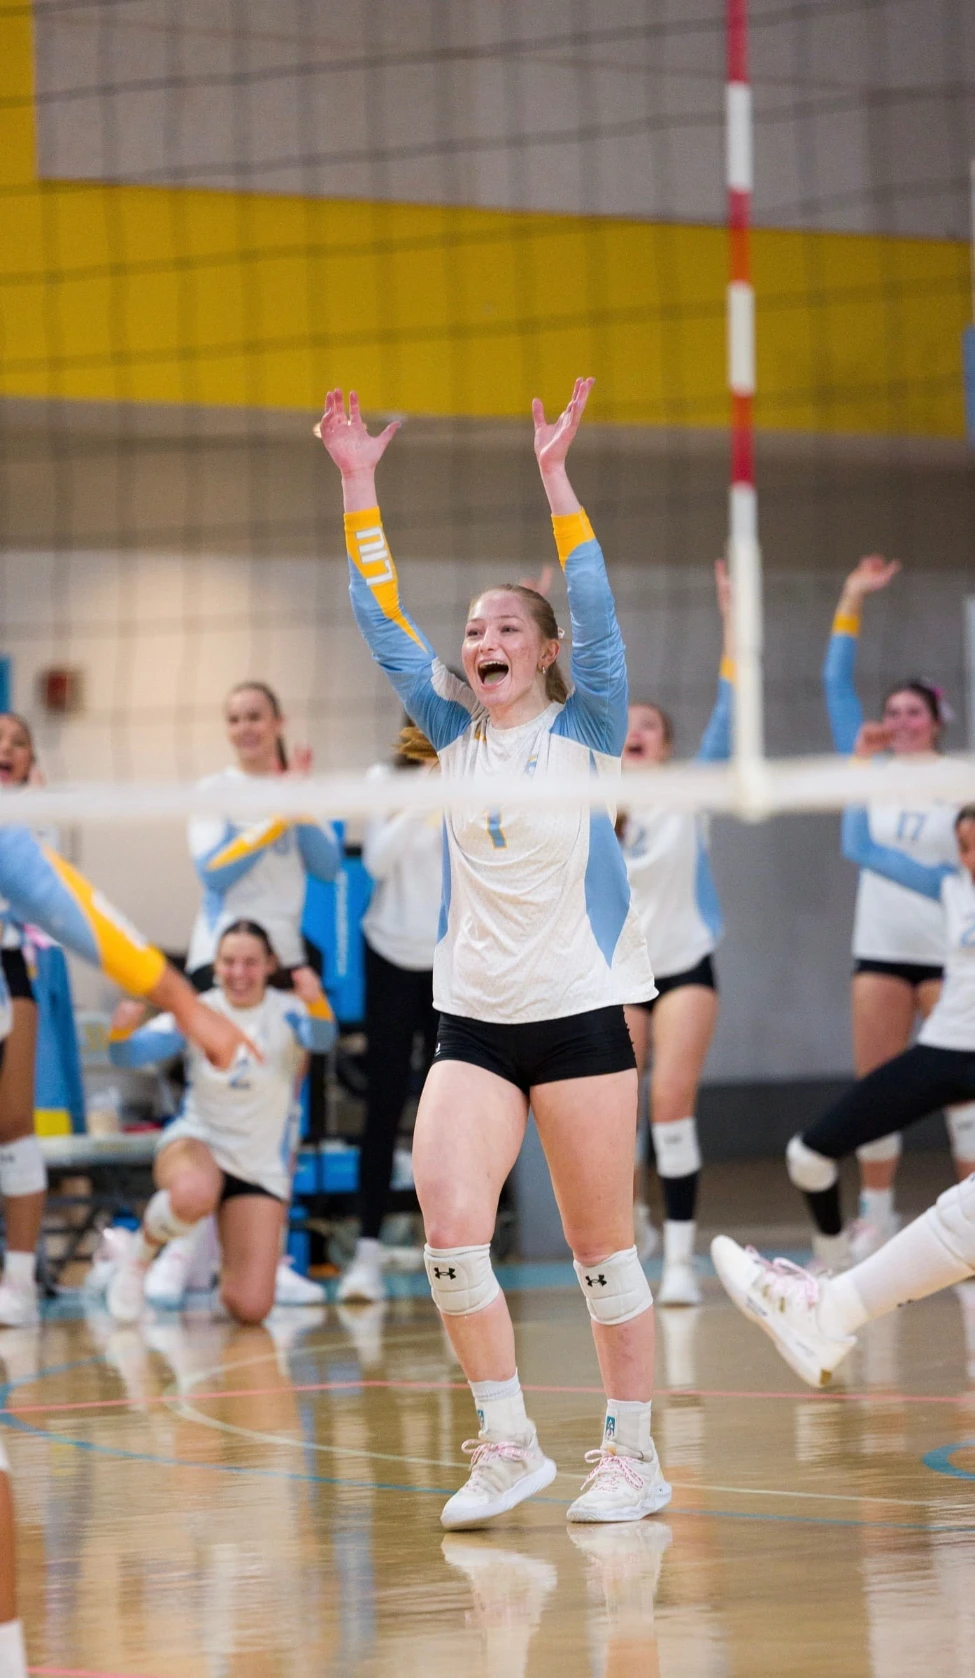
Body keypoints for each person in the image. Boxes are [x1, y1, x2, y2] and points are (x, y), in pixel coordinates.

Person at [317, 377, 671, 1529]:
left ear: (549, 650)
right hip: (471, 1021)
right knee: (451, 1229)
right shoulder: (450, 731)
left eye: (507, 626)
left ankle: (632, 1453)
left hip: (579, 1017)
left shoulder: (589, 723)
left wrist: (557, 479)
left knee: (600, 1251)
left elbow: (601, 609)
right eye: (473, 629)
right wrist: (360, 485)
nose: (482, 640)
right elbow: (381, 620)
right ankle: (508, 1441)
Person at [149, 681, 341, 1309]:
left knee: (281, 1106)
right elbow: (215, 870)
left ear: (277, 721)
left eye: (256, 716)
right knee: (214, 1091)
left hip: (283, 961)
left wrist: (297, 804)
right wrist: (273, 815)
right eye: (234, 718)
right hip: (221, 961)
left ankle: (269, 1251)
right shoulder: (215, 793)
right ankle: (181, 1247)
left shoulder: (293, 787)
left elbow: (328, 866)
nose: (246, 727)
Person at [822, 554, 966, 1261]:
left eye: (914, 712)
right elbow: (831, 683)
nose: (901, 720)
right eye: (893, 712)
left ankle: (968, 1217)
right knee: (876, 1084)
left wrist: (939, 888)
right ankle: (875, 1213)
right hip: (880, 948)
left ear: (937, 720)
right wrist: (851, 597)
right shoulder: (867, 762)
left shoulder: (960, 777)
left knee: (962, 1090)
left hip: (949, 952)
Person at [105, 919, 337, 1325]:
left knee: (251, 1308)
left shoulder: (289, 1012)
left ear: (270, 965)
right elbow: (127, 1056)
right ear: (215, 964)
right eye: (229, 962)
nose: (239, 973)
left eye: (250, 962)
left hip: (256, 1166)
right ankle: (137, 1258)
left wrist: (315, 1000)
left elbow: (322, 1039)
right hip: (197, 1143)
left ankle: (218, 1272)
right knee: (195, 1192)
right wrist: (122, 1029)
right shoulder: (198, 1010)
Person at [777, 789, 975, 1263]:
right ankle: (830, 1266)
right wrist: (859, 769)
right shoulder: (949, 887)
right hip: (944, 1049)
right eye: (965, 846)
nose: (972, 857)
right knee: (807, 1156)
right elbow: (863, 848)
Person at [618, 562, 734, 1305]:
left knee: (670, 1104)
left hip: (685, 967)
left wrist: (730, 618)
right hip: (619, 975)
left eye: (649, 728)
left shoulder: (689, 792)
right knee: (612, 1112)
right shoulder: (593, 800)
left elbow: (732, 707)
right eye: (626, 727)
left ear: (664, 744)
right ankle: (627, 1227)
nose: (636, 734)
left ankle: (682, 1261)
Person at [338, 730, 441, 1304]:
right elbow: (376, 861)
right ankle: (367, 1256)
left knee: (448, 1114)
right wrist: (424, 795)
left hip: (452, 958)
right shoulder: (387, 780)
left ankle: (452, 1253)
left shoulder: (483, 775)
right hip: (390, 955)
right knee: (381, 1106)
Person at [0, 714, 53, 1327]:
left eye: (18, 743)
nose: (7, 751)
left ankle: (19, 1281)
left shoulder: (38, 820)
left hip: (10, 966)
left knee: (14, 1125)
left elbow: (47, 903)